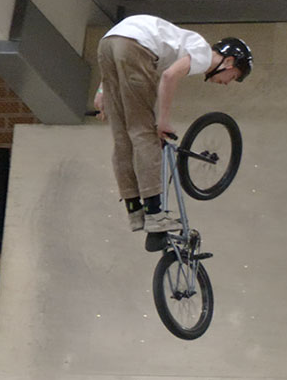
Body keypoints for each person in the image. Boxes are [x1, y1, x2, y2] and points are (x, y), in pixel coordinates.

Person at [94, 15, 252, 234]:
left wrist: (102, 92)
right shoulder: (204, 53)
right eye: (234, 77)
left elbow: (120, 53)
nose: (228, 83)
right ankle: (154, 213)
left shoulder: (181, 45)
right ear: (230, 62)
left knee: (122, 139)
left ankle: (134, 211)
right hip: (135, 45)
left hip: (108, 43)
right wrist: (163, 121)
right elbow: (169, 76)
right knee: (144, 134)